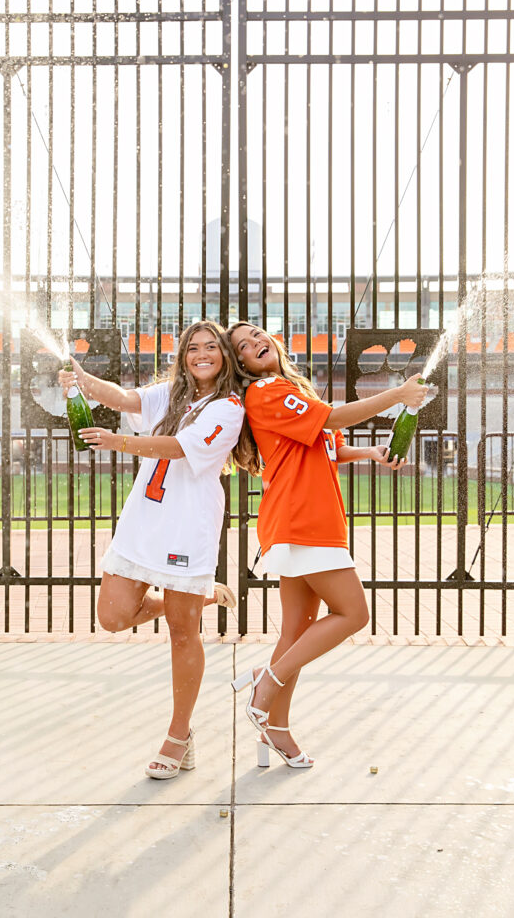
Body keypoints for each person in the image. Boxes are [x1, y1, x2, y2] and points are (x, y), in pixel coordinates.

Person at [59, 321, 255, 779]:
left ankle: (179, 735)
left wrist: (117, 442)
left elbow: (181, 449)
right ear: (183, 354)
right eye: (193, 347)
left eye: (212, 347)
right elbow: (125, 399)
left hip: (187, 527)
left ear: (225, 355)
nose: (201, 354)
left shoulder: (228, 408)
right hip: (143, 522)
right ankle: (205, 593)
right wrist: (81, 380)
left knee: (184, 632)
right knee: (111, 615)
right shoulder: (171, 393)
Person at [227, 322, 428, 768]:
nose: (255, 343)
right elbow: (332, 418)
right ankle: (266, 680)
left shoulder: (289, 391)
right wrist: (397, 395)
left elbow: (328, 444)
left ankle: (273, 729)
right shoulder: (266, 390)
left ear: (273, 341)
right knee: (354, 613)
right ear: (240, 365)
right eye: (243, 346)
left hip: (303, 520)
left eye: (258, 335)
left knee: (296, 632)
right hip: (303, 520)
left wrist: (371, 453)